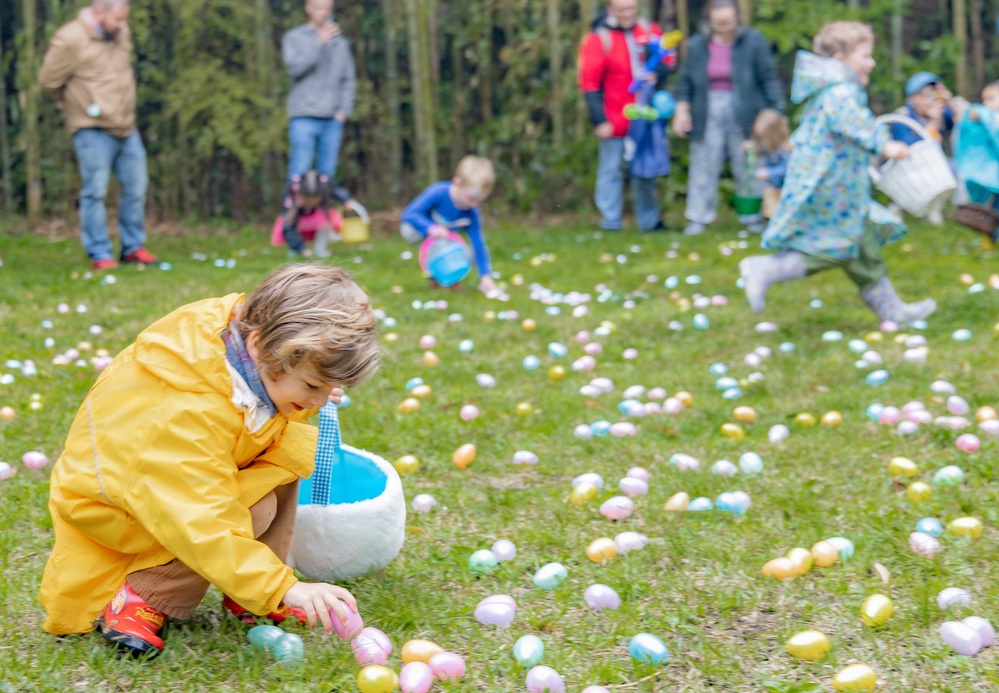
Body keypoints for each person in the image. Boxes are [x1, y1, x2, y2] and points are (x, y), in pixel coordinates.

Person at [38, 264, 380, 657]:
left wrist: (312, 388)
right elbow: (198, 516)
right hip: (124, 513)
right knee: (243, 512)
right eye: (312, 385)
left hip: (182, 491)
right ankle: (141, 596)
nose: (320, 399)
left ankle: (249, 595)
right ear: (260, 348)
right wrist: (284, 587)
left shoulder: (251, 351)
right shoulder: (186, 412)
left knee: (285, 458)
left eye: (330, 387)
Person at [739, 21, 936, 324]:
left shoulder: (831, 89)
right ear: (841, 58)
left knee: (861, 246)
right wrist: (885, 146)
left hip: (839, 188)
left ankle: (892, 311)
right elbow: (854, 124)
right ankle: (767, 269)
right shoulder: (840, 92)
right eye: (865, 56)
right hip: (832, 189)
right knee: (836, 247)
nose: (871, 62)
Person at [38, 0, 158, 271]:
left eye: (125, 19)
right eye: (118, 19)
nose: (123, 26)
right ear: (98, 11)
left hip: (127, 127)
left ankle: (133, 247)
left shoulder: (120, 33)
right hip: (91, 129)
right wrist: (72, 103)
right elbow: (48, 81)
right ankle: (100, 253)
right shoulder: (69, 38)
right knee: (95, 192)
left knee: (136, 188)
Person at [672, 0, 785, 236]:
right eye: (718, 23)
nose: (725, 27)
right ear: (709, 21)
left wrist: (778, 113)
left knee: (749, 162)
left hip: (746, 111)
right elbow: (684, 82)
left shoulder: (753, 41)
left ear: (738, 18)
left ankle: (754, 216)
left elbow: (769, 79)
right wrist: (681, 111)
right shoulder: (696, 45)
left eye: (729, 22)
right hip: (707, 109)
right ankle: (698, 217)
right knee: (703, 163)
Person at [577, 0, 671, 233]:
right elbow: (590, 84)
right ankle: (610, 221)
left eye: (631, 9)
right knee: (610, 170)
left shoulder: (649, 31)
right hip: (615, 118)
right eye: (622, 10)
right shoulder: (600, 39)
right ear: (609, 10)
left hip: (645, 117)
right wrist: (599, 120)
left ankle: (649, 222)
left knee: (645, 170)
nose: (628, 14)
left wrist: (656, 75)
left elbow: (668, 60)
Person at [400, 156, 498, 294]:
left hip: (445, 240)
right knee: (408, 230)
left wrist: (485, 277)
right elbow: (410, 213)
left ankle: (448, 278)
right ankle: (435, 272)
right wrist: (430, 228)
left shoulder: (471, 212)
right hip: (419, 233)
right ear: (457, 183)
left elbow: (478, 245)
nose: (474, 204)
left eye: (479, 200)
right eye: (471, 198)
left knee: (469, 253)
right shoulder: (439, 192)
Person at [282, 0, 356, 183]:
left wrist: (343, 111)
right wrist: (318, 43)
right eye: (319, 8)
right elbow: (295, 69)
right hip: (303, 116)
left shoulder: (340, 43)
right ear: (309, 9)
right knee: (299, 171)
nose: (323, 13)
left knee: (326, 175)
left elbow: (348, 79)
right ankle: (291, 211)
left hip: (332, 119)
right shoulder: (294, 38)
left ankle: (323, 211)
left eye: (327, 9)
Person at [889, 71, 964, 223]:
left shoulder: (940, 111)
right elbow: (913, 150)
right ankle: (899, 206)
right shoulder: (901, 117)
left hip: (937, 166)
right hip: (908, 169)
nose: (928, 100)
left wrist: (949, 102)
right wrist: (933, 124)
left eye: (932, 94)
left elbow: (961, 126)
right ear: (912, 98)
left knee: (957, 168)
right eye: (923, 95)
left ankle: (940, 208)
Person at [273, 169, 364, 258]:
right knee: (289, 225)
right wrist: (302, 249)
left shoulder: (324, 188)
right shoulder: (291, 201)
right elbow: (288, 229)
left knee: (328, 220)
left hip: (316, 220)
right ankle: (296, 248)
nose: (311, 203)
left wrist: (346, 199)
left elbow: (336, 191)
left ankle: (320, 249)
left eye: (315, 199)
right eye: (307, 199)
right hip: (299, 222)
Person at [750, 109, 791, 219]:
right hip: (775, 188)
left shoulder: (785, 150)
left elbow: (787, 168)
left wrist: (769, 173)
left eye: (764, 137)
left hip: (785, 189)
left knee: (780, 210)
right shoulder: (772, 148)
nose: (762, 141)